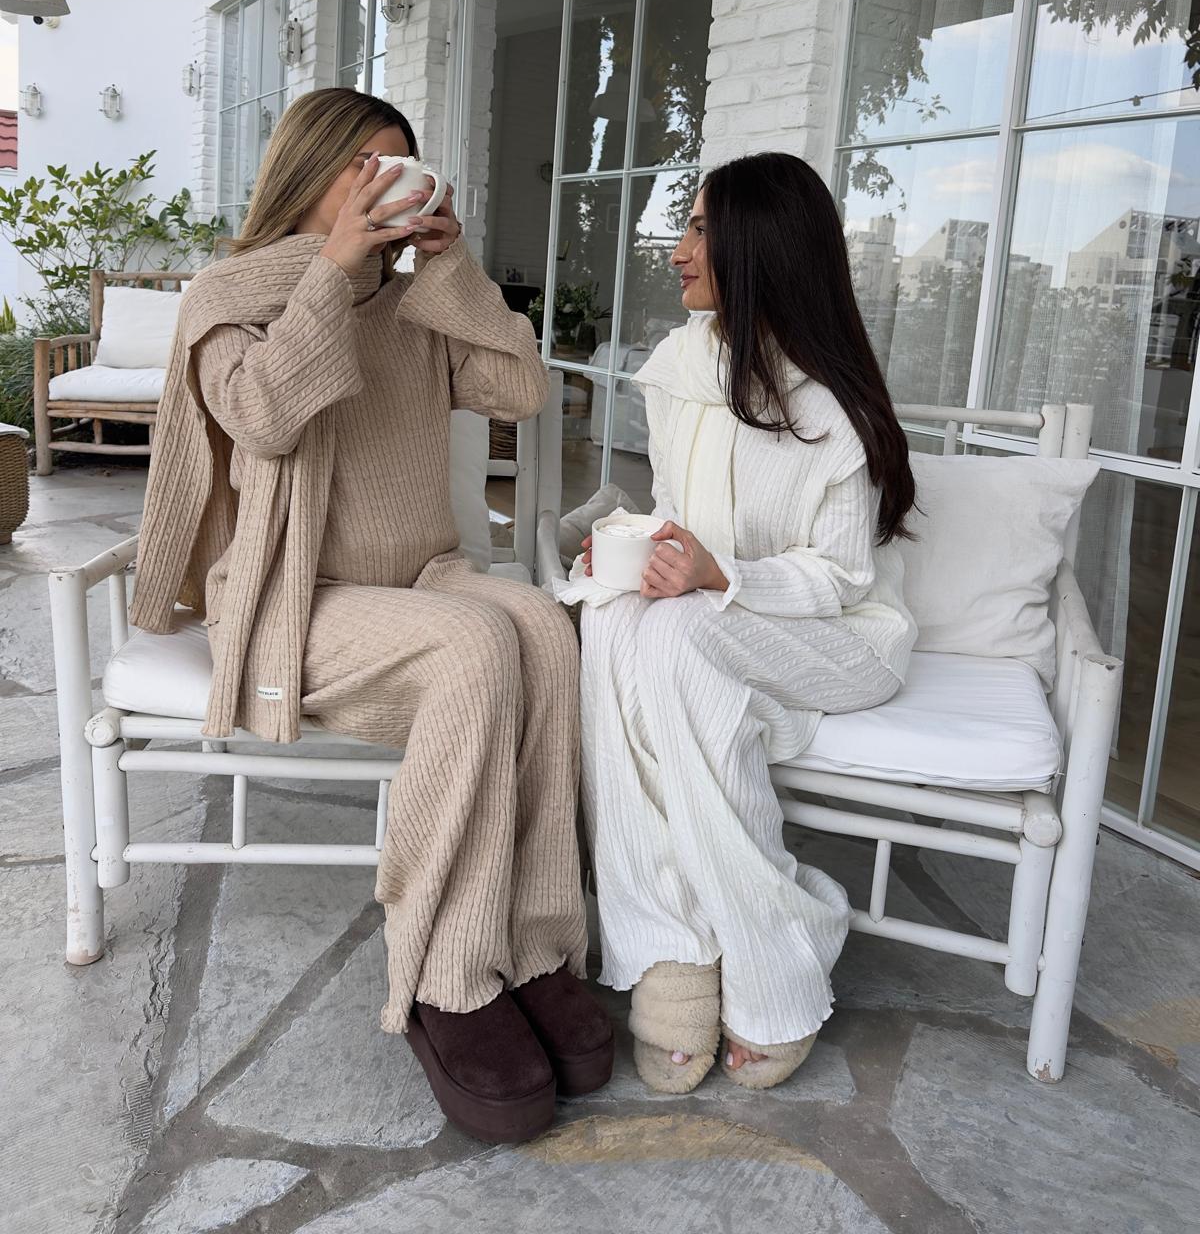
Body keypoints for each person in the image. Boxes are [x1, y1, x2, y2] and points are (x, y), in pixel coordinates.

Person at [129, 87, 612, 1144]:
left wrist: (451, 266)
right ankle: (447, 976)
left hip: (420, 577)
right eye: (365, 168)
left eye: (401, 168)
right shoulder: (227, 299)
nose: (386, 186)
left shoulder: (415, 301)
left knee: (540, 626)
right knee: (475, 647)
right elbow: (262, 415)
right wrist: (333, 271)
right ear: (310, 173)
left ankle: (531, 945)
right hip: (291, 599)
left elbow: (520, 391)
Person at [573, 152, 917, 1095]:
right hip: (713, 626)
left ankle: (776, 957)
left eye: (698, 228)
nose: (677, 250)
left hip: (840, 641)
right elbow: (677, 510)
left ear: (758, 246)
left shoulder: (831, 406)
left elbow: (843, 578)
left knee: (675, 637)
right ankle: (673, 952)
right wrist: (638, 557)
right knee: (612, 624)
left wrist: (724, 574)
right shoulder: (679, 369)